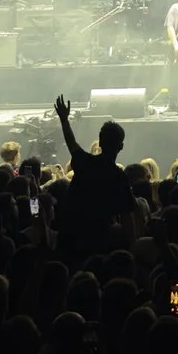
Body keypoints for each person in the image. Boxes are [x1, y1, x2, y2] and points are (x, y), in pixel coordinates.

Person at [53, 94, 129, 257]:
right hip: (100, 240)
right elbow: (127, 215)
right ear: (121, 146)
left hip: (73, 236)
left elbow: (71, 143)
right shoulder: (119, 176)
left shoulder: (84, 162)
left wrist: (64, 120)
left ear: (99, 143)